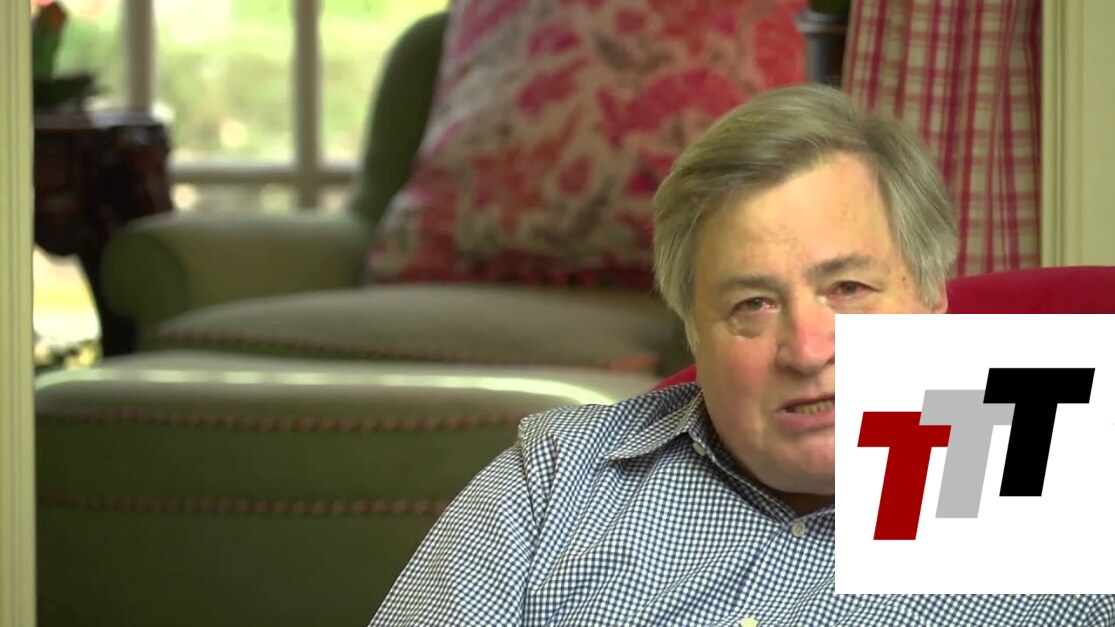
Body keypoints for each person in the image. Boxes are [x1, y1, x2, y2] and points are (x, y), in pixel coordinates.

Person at [369, 84, 1114, 625]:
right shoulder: (560, 478)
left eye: (848, 288)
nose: (808, 349)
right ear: (695, 330)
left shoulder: (1070, 471)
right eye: (752, 304)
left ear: (930, 299)